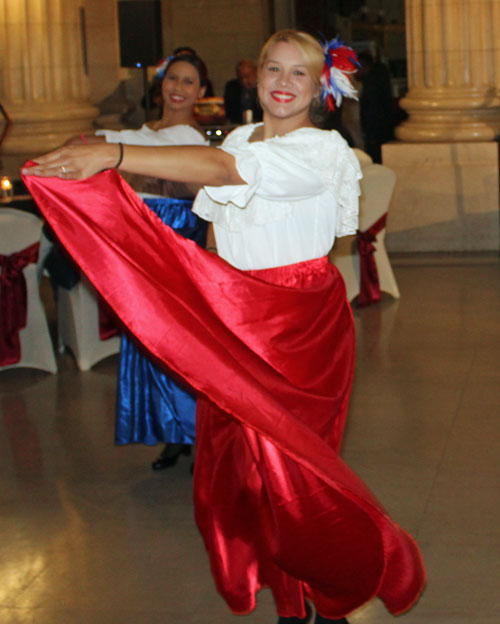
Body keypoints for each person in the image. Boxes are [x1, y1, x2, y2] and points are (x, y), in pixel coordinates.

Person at [22, 29, 425, 624]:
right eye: (273, 69)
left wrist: (113, 156)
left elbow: (224, 168)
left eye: (299, 74)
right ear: (256, 78)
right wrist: (201, 294)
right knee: (244, 472)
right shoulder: (241, 136)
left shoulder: (321, 149)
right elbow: (213, 226)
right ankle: (292, 602)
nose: (283, 83)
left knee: (296, 470)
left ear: (320, 88)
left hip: (297, 320)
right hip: (237, 312)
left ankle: (337, 590)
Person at [70, 52, 211, 470]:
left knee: (177, 335)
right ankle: (171, 430)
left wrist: (111, 148)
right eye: (173, 79)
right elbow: (104, 142)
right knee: (148, 337)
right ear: (161, 84)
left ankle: (192, 426)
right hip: (141, 234)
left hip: (175, 236)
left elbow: (178, 180)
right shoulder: (142, 132)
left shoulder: (191, 137)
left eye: (188, 82)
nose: (178, 88)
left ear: (200, 92)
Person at [356, 50, 395, 163]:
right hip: (382, 128)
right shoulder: (380, 79)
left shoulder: (371, 85)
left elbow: (372, 109)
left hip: (375, 132)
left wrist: (371, 133)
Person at [223, 59, 262, 124]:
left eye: (247, 76)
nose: (244, 81)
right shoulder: (232, 88)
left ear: (256, 72)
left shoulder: (263, 87)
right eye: (240, 78)